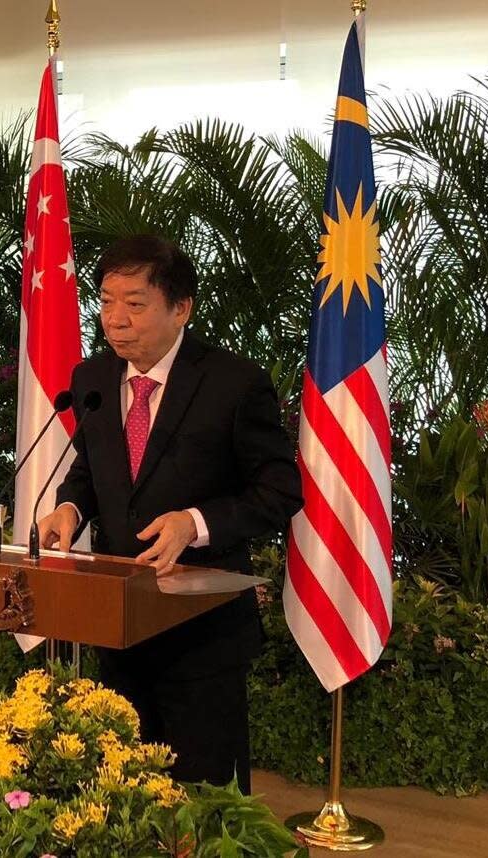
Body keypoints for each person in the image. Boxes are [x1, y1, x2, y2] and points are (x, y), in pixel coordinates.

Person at [36, 235, 302, 791]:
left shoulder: (234, 383)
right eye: (106, 301)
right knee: (122, 792)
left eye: (134, 304)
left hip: (201, 627)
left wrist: (195, 524)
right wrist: (68, 508)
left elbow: (280, 491)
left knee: (202, 798)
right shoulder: (93, 380)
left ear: (181, 308)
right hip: (118, 620)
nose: (115, 319)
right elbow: (92, 469)